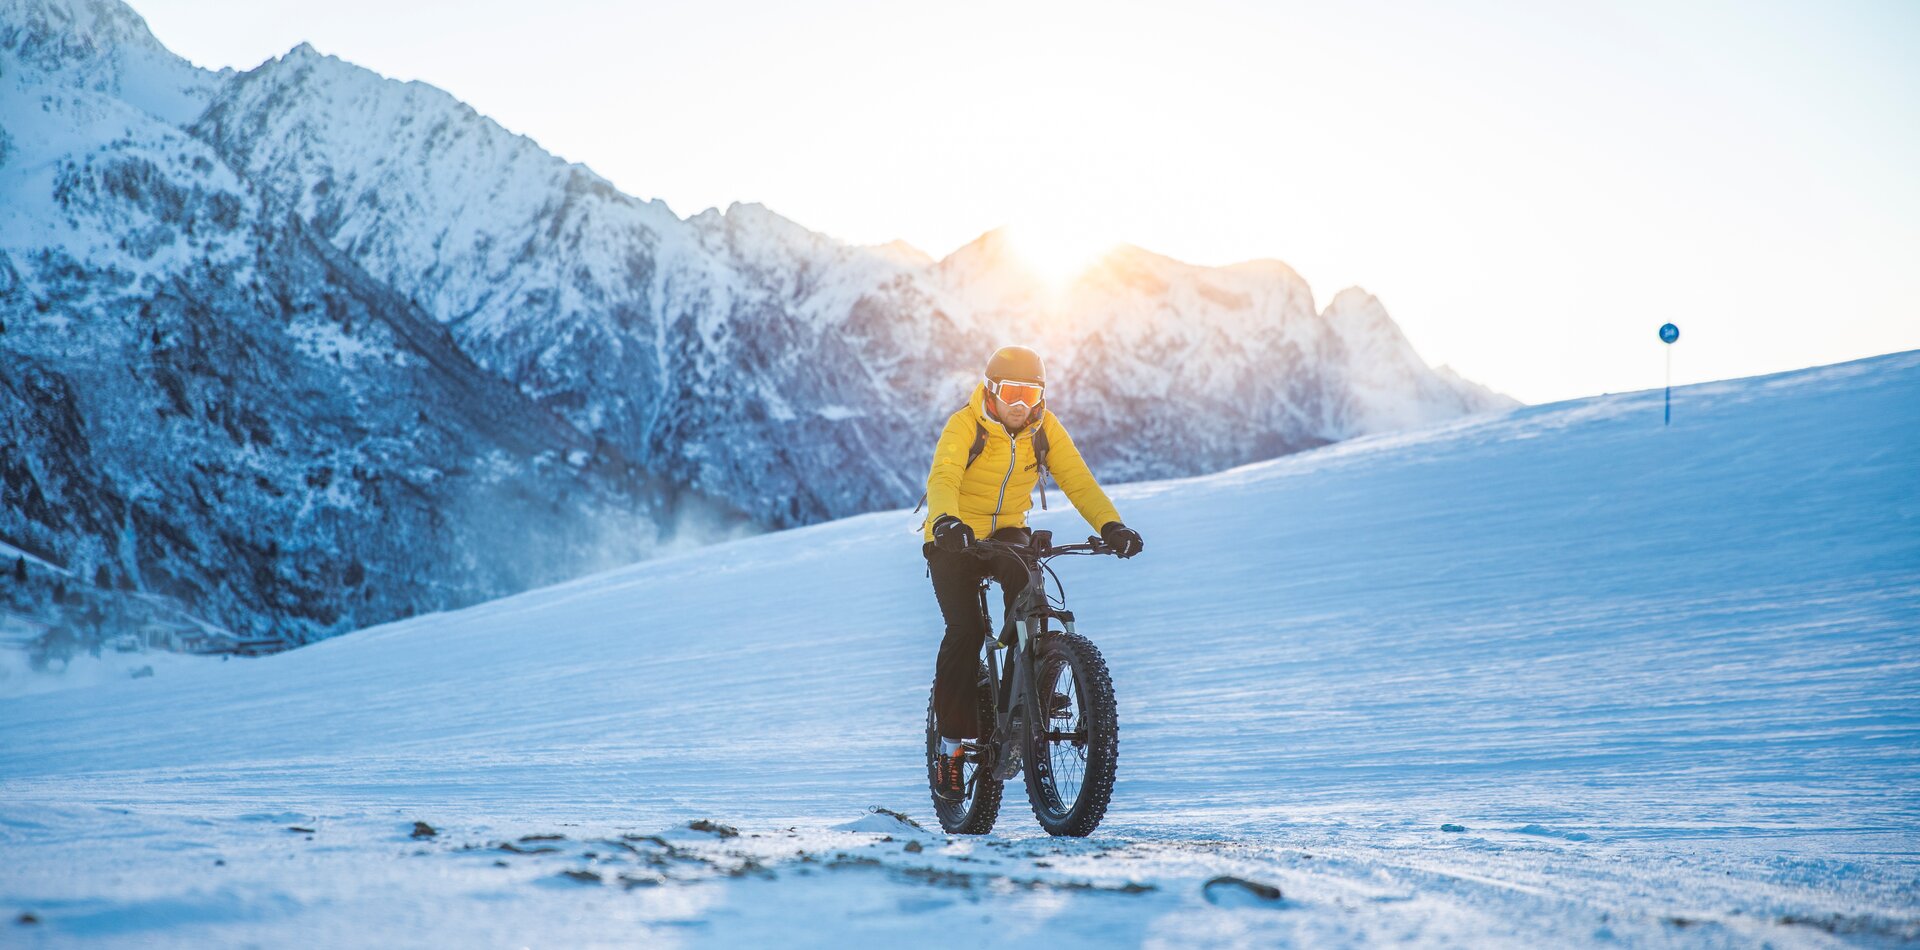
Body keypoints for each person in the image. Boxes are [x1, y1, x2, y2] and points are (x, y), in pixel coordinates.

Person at [921, 345, 1143, 802]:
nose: (1020, 405)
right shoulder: (965, 425)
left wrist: (1110, 525)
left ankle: (1032, 680)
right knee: (965, 631)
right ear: (991, 390)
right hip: (953, 536)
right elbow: (943, 476)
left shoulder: (1045, 429)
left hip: (1005, 534)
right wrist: (945, 522)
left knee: (1031, 595)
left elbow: (1078, 480)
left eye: (1030, 393)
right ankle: (950, 746)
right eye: (1011, 393)